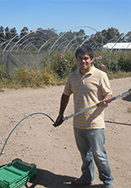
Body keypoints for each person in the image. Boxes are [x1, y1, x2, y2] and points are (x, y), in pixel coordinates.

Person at [55, 46, 114, 188]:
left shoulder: (100, 75)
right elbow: (65, 95)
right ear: (77, 60)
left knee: (99, 154)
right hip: (78, 124)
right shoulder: (72, 77)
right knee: (85, 155)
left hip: (95, 124)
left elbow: (109, 94)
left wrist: (105, 100)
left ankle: (107, 182)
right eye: (80, 58)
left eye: (86, 58)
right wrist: (60, 114)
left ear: (92, 59)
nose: (83, 61)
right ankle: (86, 178)